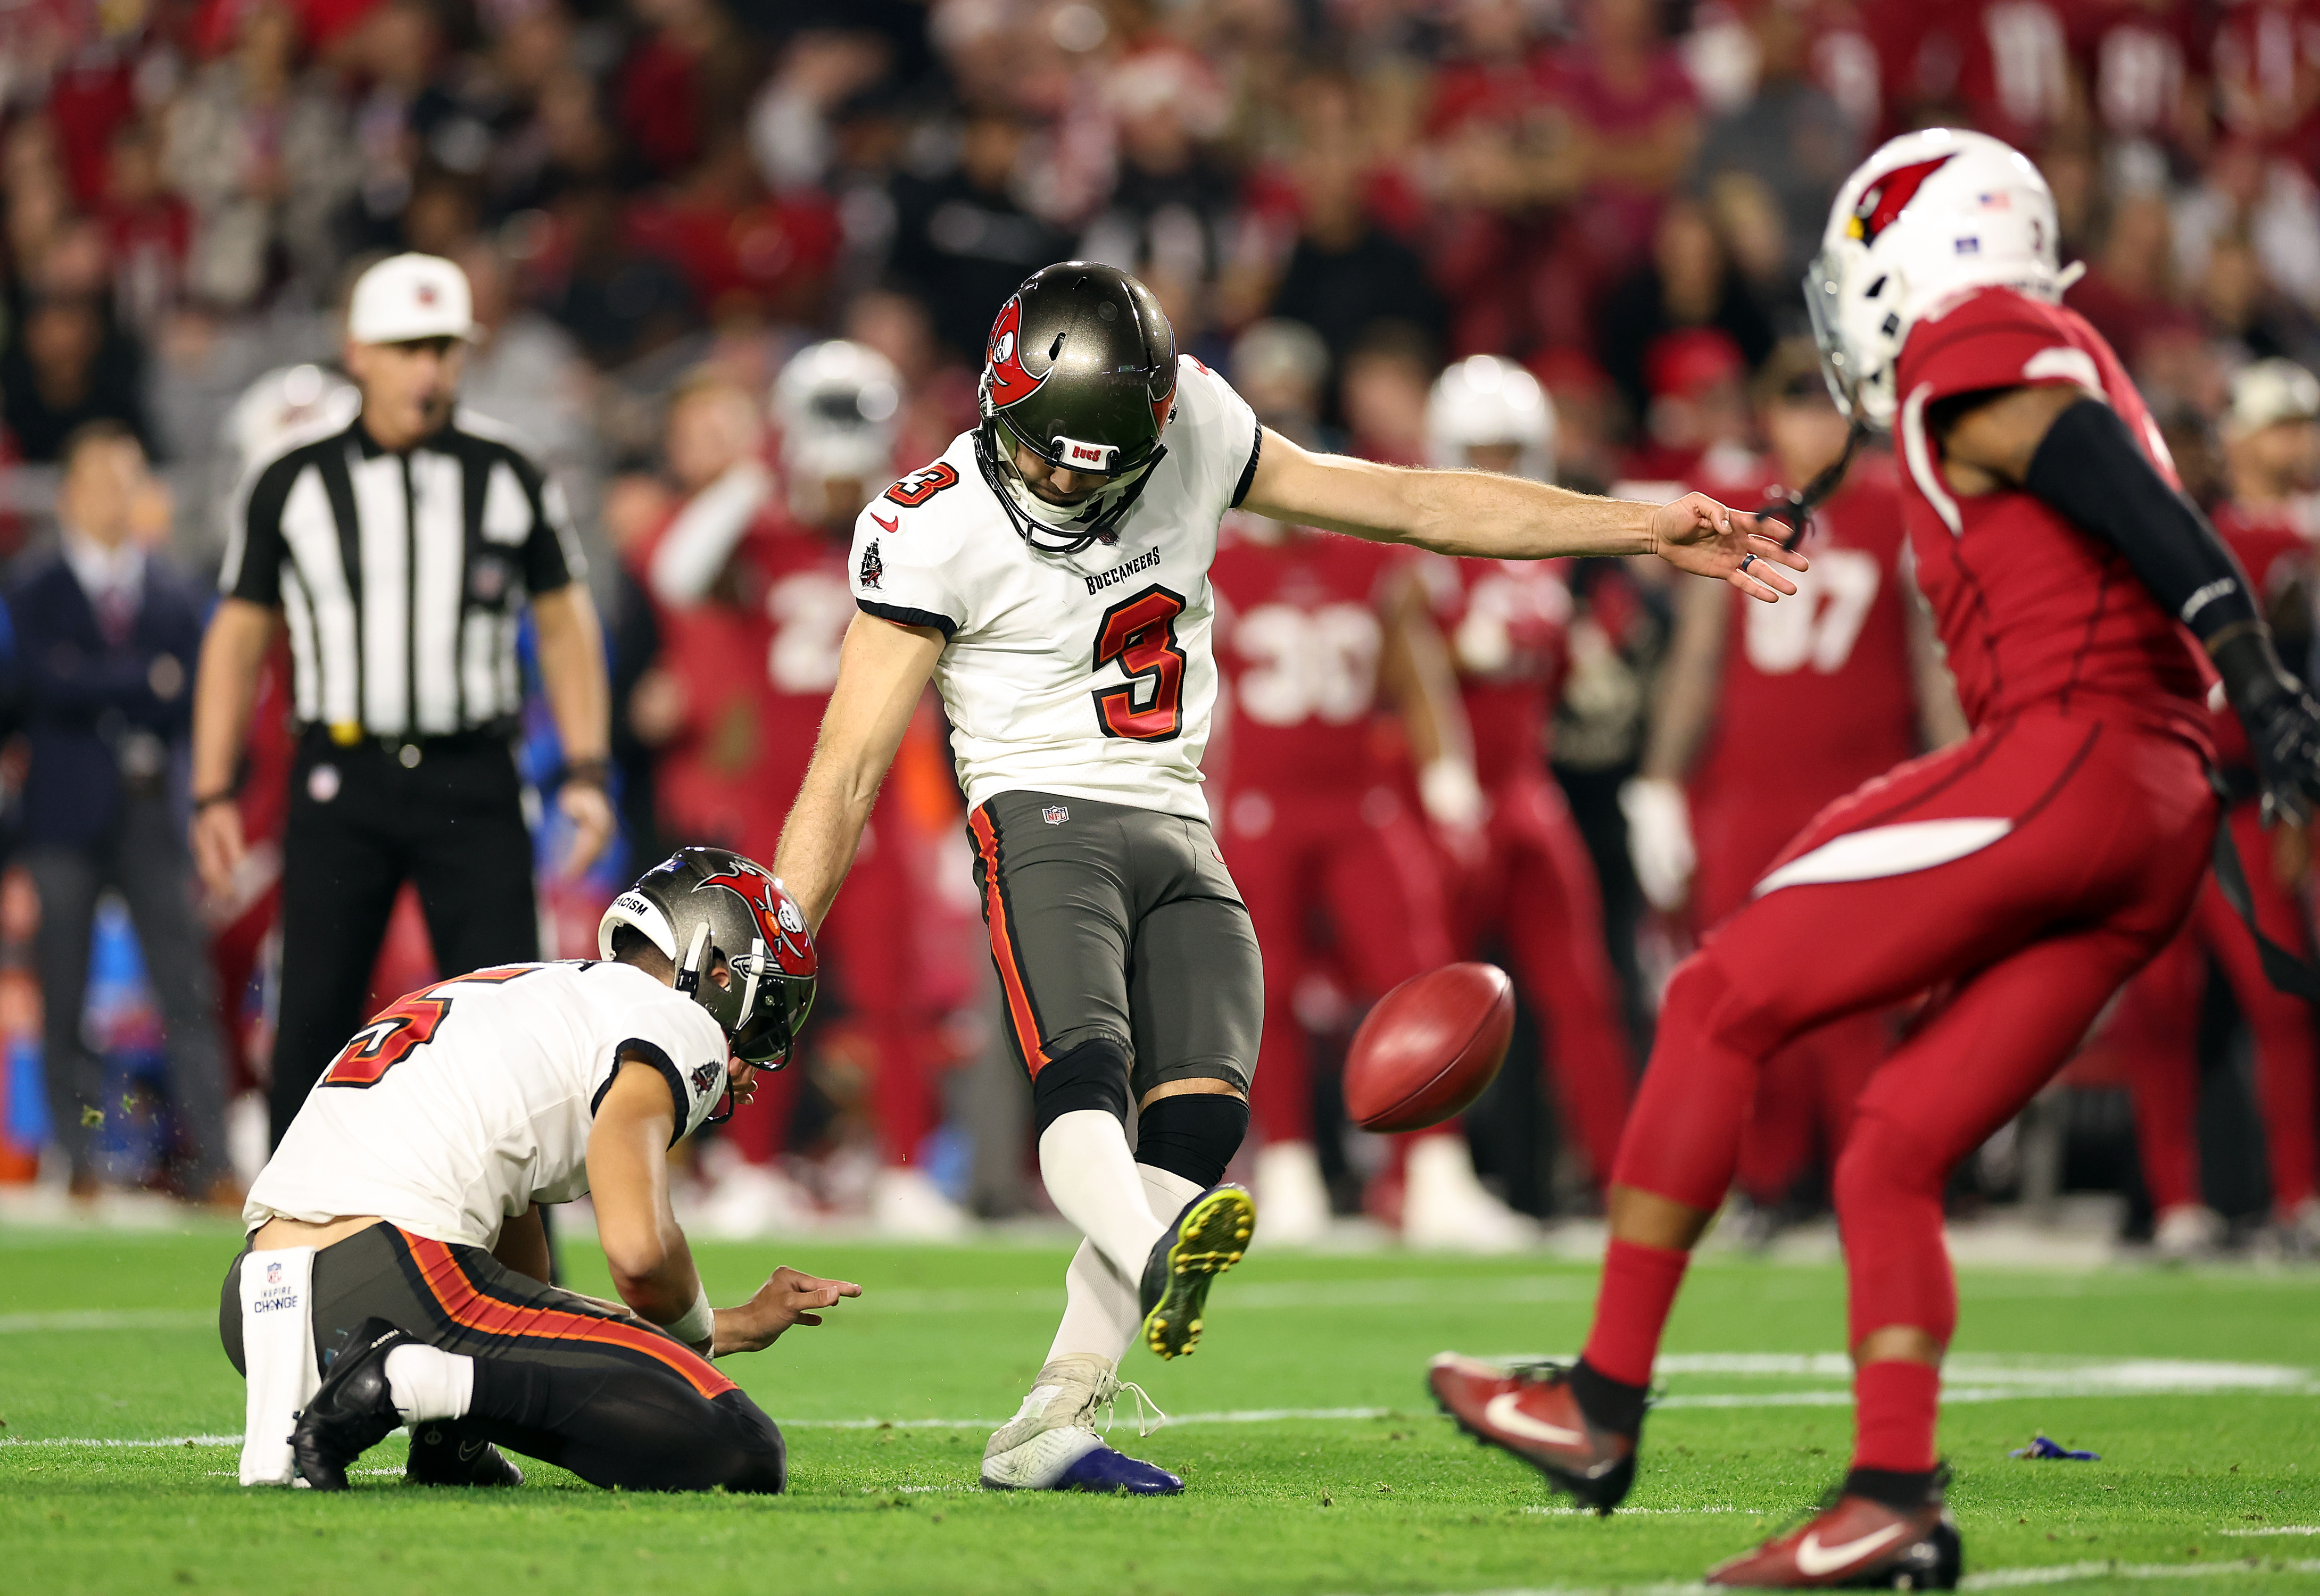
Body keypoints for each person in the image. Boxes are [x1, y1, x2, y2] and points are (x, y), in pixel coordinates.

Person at [1429, 128, 2320, 1587]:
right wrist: (2244, 677)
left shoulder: (1985, 340)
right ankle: (1894, 1495)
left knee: (1718, 996)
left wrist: (2248, 656)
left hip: (2077, 754)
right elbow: (2122, 493)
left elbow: (2108, 479)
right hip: (2148, 804)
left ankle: (1596, 1400)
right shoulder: (2056, 345)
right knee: (1894, 1146)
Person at [771, 260, 1799, 1494]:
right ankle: (1155, 1253)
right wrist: (779, 946)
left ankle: (1050, 1416)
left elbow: (1410, 501)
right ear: (999, 404)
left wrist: (1633, 522)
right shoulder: (928, 518)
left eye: (1101, 462)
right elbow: (844, 769)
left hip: (1176, 814)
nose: (1066, 484)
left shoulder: (1196, 419)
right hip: (1037, 810)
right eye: (1048, 456)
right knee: (1084, 1074)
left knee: (1201, 1116)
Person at [223, 846, 842, 1492]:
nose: (757, 1059)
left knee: (504, 1282)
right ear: (715, 970)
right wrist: (690, 1337)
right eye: (764, 1022)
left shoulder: (526, 994)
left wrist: (728, 1325)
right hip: (396, 1274)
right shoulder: (675, 1022)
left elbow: (520, 1290)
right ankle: (406, 1377)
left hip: (258, 1301)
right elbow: (638, 1253)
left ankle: (447, 1438)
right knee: (741, 1448)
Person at [188, 253, 617, 1146]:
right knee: (313, 1018)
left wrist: (584, 767)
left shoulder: (510, 470)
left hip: (474, 774)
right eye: (408, 347)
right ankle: (292, 1253)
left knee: (509, 1026)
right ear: (358, 353)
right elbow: (238, 636)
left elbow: (567, 622)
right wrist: (213, 788)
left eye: (443, 348)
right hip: (342, 774)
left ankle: (520, 1261)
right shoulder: (291, 477)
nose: (428, 369)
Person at [1621, 342, 1966, 1238]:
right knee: (1744, 990)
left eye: (1827, 405)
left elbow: (1934, 662)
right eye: (1796, 405)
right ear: (1769, 416)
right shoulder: (1737, 510)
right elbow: (1699, 655)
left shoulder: (1903, 510)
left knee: (1859, 995)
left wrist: (1958, 778)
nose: (1812, 424)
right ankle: (1770, 1181)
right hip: (1750, 791)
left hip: (1863, 791)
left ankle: (1866, 1178)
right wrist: (1660, 781)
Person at [1209, 495, 1522, 1250]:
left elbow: (1415, 673)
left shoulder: (1368, 560)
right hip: (1258, 805)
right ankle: (1285, 1169)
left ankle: (1433, 1171)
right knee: (1263, 987)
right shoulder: (1216, 563)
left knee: (1414, 976)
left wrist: (1448, 776)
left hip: (1362, 803)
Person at [1419, 355, 1636, 1204]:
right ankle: (1427, 1175)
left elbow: (1582, 672)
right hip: (1444, 799)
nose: (1497, 468)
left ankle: (1626, 1174)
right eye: (1481, 449)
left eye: (1511, 449)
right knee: (1430, 994)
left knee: (1581, 990)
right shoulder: (1420, 542)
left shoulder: (1553, 546)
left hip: (1528, 792)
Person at [2118, 358, 2320, 1260]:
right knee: (2159, 1008)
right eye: (2281, 425)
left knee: (2281, 1003)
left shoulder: (2281, 538)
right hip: (2180, 800)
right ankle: (2177, 1203)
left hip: (2258, 802)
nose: (2298, 442)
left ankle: (2298, 1196)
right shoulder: (2200, 534)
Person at [11, 421, 234, 1203]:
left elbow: (191, 693)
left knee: (187, 987)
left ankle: (213, 1159)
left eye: (128, 481)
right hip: (65, 816)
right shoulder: (32, 586)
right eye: (103, 482)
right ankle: (81, 1159)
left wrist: (92, 678)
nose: (117, 499)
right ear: (70, 493)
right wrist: (146, 679)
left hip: (148, 813)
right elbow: (40, 686)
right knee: (64, 989)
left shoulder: (172, 589)